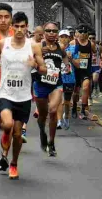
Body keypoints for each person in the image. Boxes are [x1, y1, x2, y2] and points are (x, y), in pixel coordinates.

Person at [0, 11, 46, 179]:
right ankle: (5, 137)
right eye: (17, 26)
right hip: (6, 93)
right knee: (7, 125)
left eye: (23, 26)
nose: (20, 29)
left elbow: (44, 69)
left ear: (27, 27)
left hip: (23, 97)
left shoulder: (33, 46)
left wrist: (34, 64)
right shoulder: (3, 43)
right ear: (12, 27)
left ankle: (13, 163)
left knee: (17, 134)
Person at [34, 22, 67, 157]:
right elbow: (29, 60)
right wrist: (39, 56)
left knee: (53, 111)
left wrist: (66, 66)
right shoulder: (37, 46)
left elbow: (64, 56)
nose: (52, 33)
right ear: (44, 32)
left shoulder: (61, 47)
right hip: (41, 84)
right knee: (43, 115)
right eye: (49, 31)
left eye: (54, 31)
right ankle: (42, 131)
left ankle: (51, 143)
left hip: (56, 84)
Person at [69, 25, 96, 119]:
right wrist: (73, 60)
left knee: (85, 87)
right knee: (76, 91)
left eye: (85, 32)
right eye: (80, 32)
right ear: (77, 33)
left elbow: (95, 51)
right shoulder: (73, 43)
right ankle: (74, 108)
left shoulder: (91, 44)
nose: (82, 34)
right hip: (76, 70)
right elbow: (68, 54)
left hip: (86, 70)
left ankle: (83, 109)